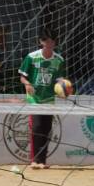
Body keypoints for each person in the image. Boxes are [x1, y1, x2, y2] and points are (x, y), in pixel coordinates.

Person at [18, 32, 65, 169]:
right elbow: (22, 76)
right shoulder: (32, 57)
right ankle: (34, 160)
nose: (50, 44)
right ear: (41, 42)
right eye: (47, 41)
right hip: (34, 98)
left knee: (46, 129)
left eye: (52, 41)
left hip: (49, 99)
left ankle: (42, 161)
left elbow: (59, 79)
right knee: (37, 127)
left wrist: (63, 88)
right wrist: (27, 84)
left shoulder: (59, 60)